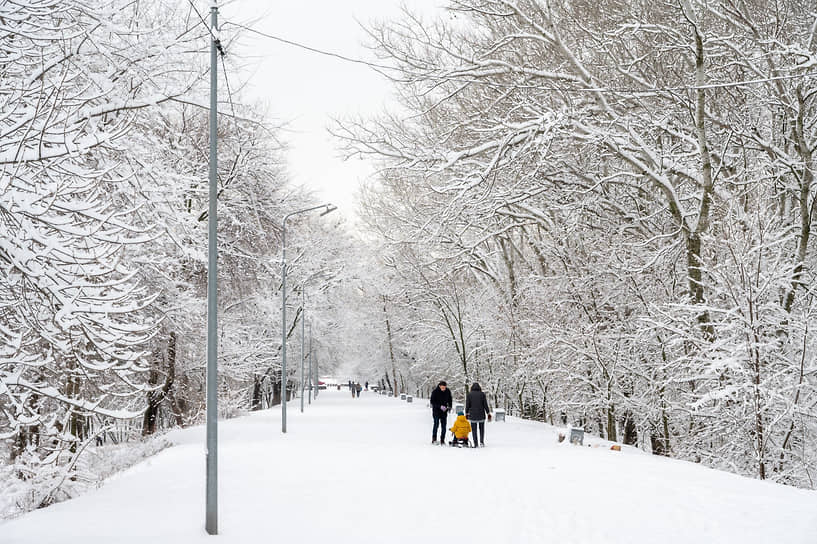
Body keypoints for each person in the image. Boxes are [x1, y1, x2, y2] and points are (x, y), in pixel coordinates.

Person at [466, 382, 492, 447]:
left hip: (473, 415)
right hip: (481, 414)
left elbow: (467, 405)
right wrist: (488, 412)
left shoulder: (469, 394)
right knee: (482, 429)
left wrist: (466, 413)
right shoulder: (482, 394)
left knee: (474, 430)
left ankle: (476, 443)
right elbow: (485, 404)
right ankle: (482, 442)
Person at [429, 380, 452, 445]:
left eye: (444, 387)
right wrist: (440, 406)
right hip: (436, 411)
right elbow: (432, 402)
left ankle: (442, 439)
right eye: (442, 387)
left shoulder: (447, 391)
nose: (443, 389)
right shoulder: (435, 392)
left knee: (444, 426)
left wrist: (449, 406)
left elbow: (450, 399)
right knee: (436, 424)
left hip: (444, 412)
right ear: (439, 386)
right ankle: (434, 438)